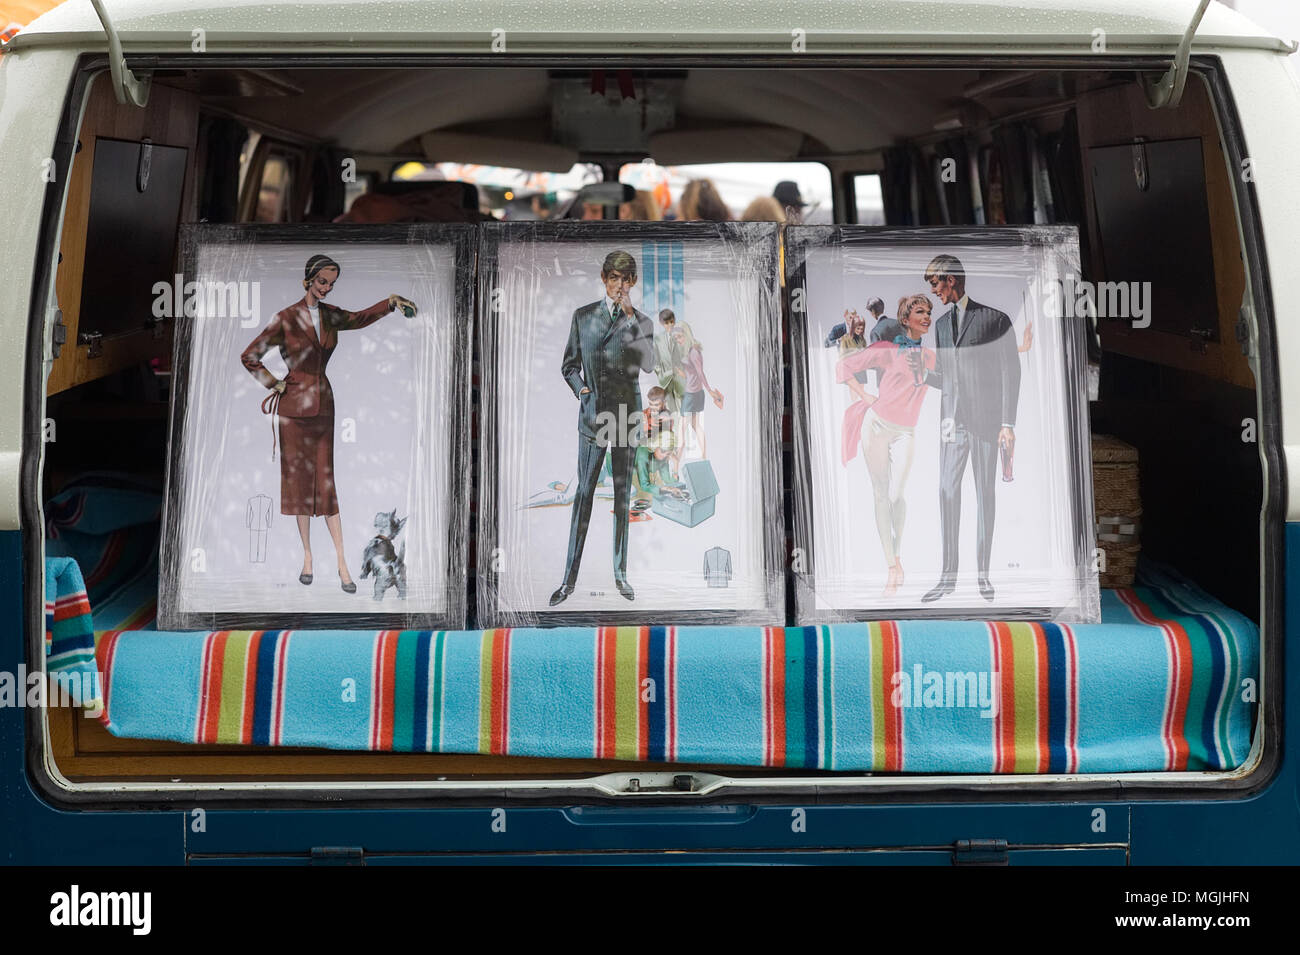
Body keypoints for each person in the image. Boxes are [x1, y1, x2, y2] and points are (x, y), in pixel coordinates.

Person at [241, 254, 417, 594]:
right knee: (298, 485)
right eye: (322, 281)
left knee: (325, 483)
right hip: (292, 409)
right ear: (308, 279)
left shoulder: (331, 315)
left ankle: (341, 562)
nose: (326, 287)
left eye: (331, 283)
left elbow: (360, 317)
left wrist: (391, 303)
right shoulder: (285, 319)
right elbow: (250, 355)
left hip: (323, 404)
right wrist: (273, 382)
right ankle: (307, 557)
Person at [550, 250, 655, 606]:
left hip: (626, 418)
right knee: (584, 495)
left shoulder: (641, 321)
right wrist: (581, 389)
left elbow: (652, 364)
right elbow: (568, 365)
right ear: (604, 278)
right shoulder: (583, 317)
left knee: (623, 498)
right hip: (594, 417)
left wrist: (630, 316)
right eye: (614, 278)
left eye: (626, 280)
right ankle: (568, 581)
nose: (619, 285)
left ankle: (621, 576)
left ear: (633, 283)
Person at [915, 254, 1021, 603]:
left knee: (985, 495)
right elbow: (948, 377)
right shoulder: (942, 326)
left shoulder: (995, 319)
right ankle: (947, 578)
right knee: (947, 491)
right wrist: (922, 375)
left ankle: (983, 577)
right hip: (953, 423)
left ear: (952, 280)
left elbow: (1011, 372)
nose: (932, 293)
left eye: (935, 284)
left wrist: (1008, 424)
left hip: (989, 424)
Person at [835, 295, 937, 596]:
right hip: (876, 426)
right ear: (905, 320)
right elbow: (844, 368)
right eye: (921, 312)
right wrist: (865, 396)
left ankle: (898, 553)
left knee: (896, 494)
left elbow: (961, 372)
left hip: (906, 431)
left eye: (929, 312)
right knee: (881, 494)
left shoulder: (930, 356)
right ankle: (892, 565)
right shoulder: (886, 350)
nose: (928, 316)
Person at [673, 321, 724, 461]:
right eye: (676, 338)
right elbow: (693, 373)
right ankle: (703, 456)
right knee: (695, 425)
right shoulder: (691, 350)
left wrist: (710, 390)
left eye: (680, 337)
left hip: (692, 394)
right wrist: (682, 374)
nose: (678, 340)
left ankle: (677, 460)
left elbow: (700, 373)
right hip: (696, 393)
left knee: (682, 426)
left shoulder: (693, 351)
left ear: (686, 334)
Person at [653, 308, 686, 420]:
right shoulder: (658, 339)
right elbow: (655, 361)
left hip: (680, 381)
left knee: (684, 414)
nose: (670, 325)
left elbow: (686, 356)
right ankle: (675, 435)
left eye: (672, 322)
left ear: (675, 321)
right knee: (671, 413)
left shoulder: (681, 336)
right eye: (666, 323)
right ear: (662, 324)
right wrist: (661, 375)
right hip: (666, 381)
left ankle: (684, 436)